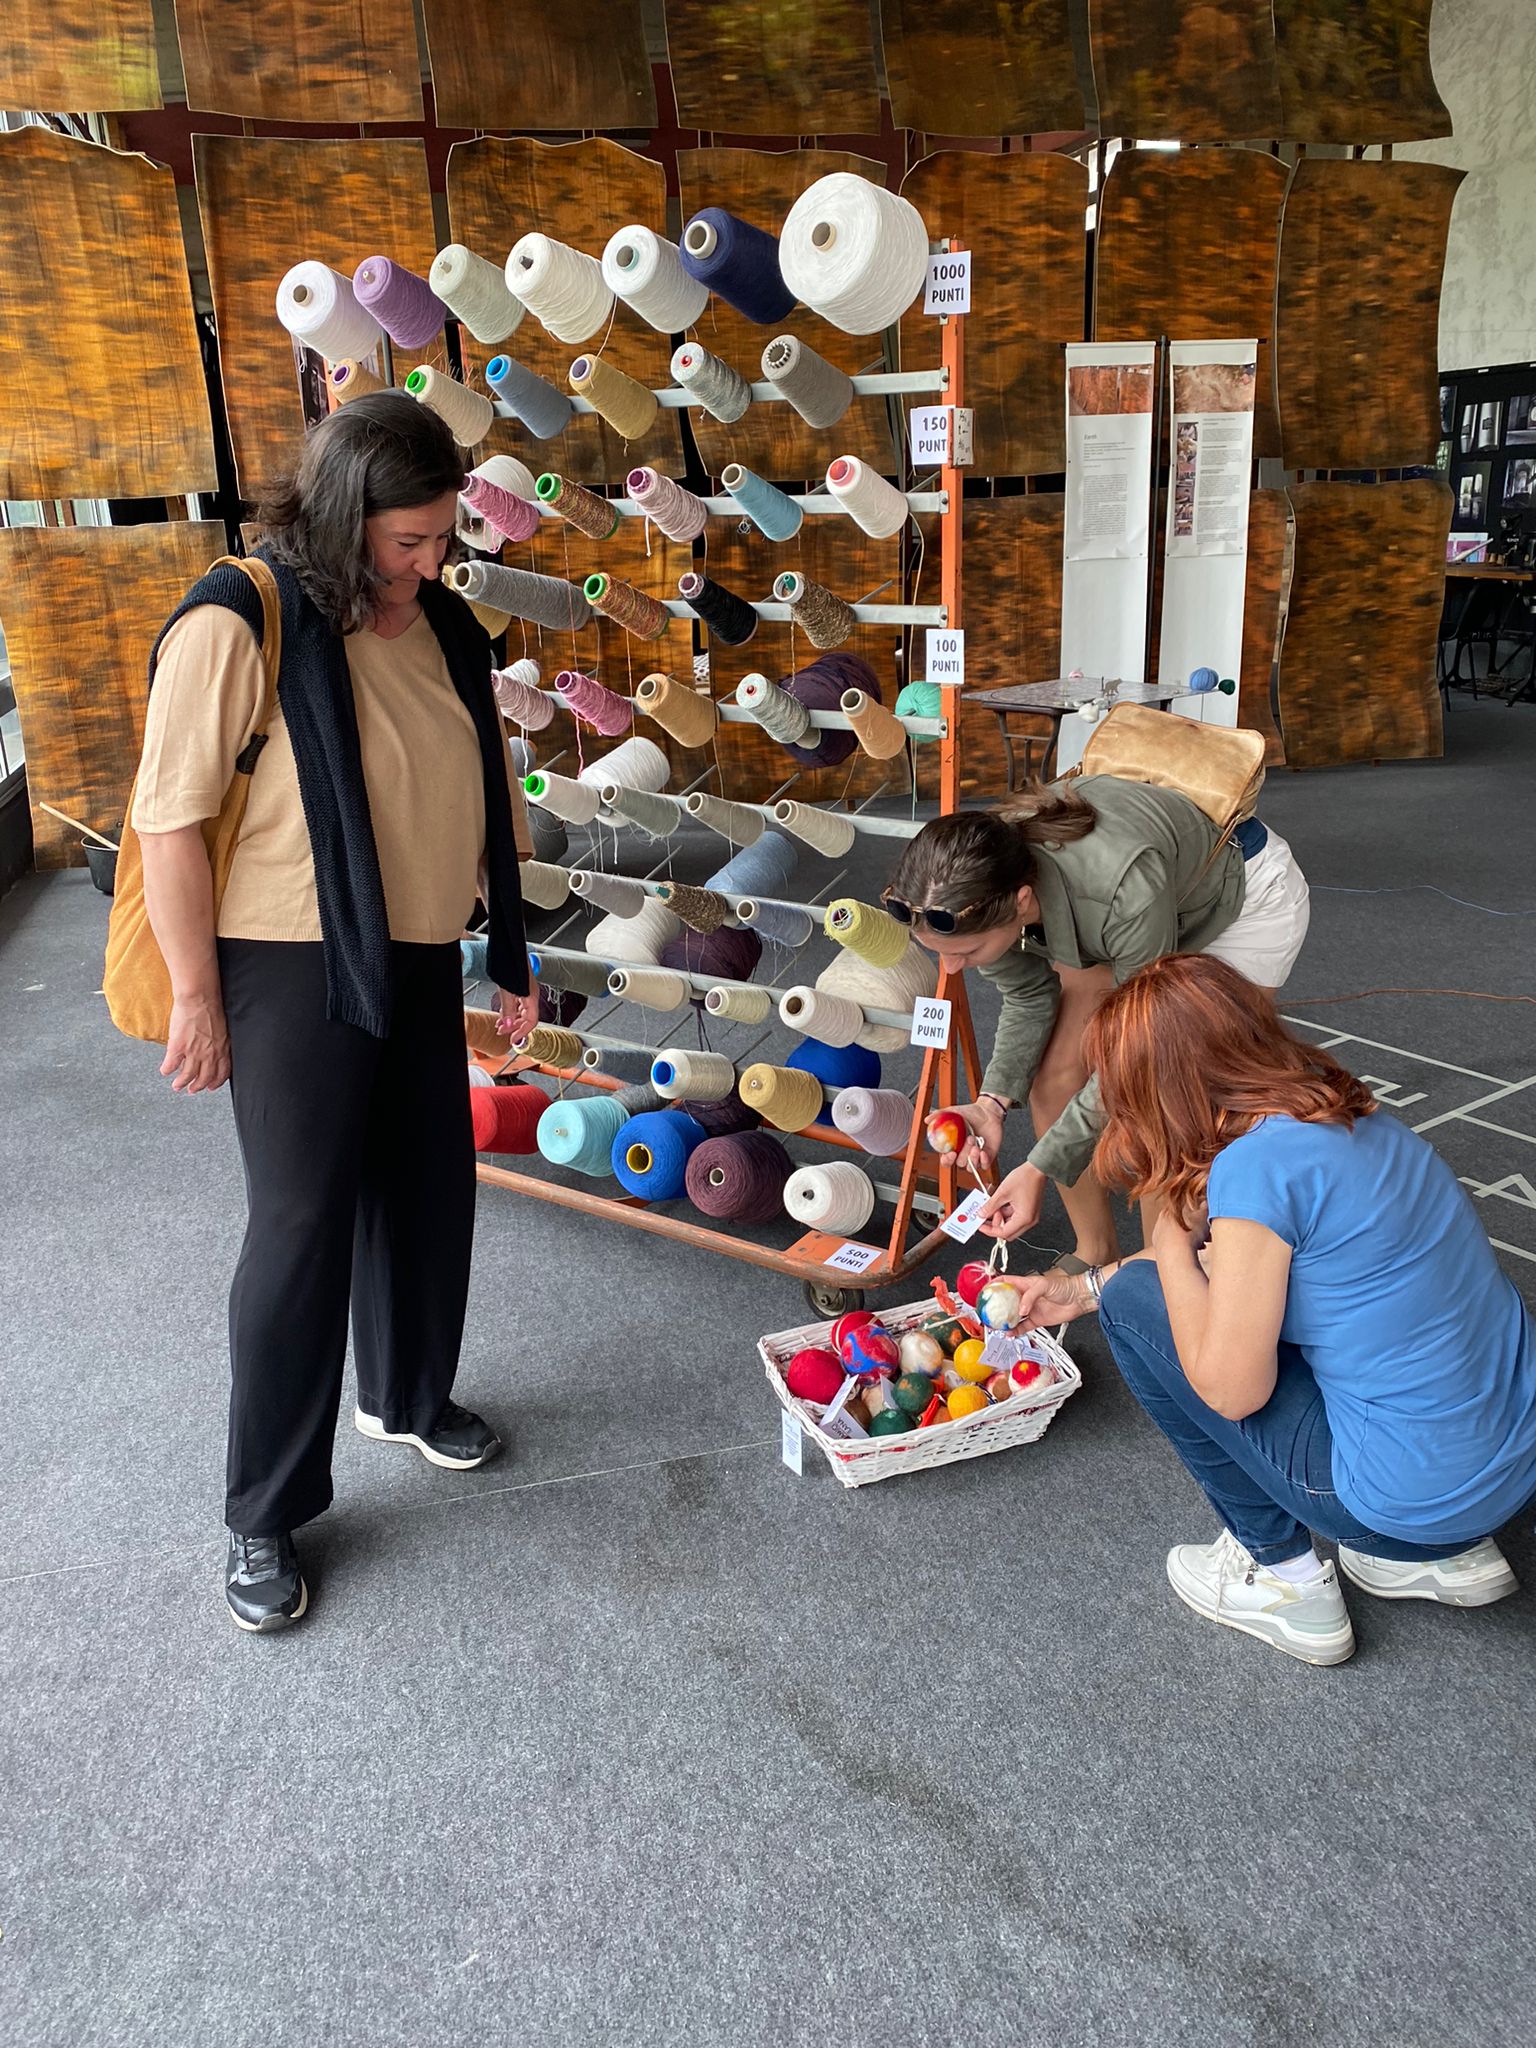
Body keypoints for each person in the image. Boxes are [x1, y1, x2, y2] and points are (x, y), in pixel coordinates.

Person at [132, 393, 537, 1633]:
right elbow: (167, 822)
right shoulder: (239, 617)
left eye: (444, 536)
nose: (432, 561)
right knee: (302, 1223)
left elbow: (482, 780)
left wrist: (512, 945)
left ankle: (407, 1395)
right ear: (344, 516)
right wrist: (196, 996)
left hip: (415, 950)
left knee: (427, 1186)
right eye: (409, 540)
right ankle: (263, 1508)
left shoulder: (446, 621)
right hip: (287, 958)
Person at [1003, 954, 1536, 1667]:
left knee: (1134, 1306)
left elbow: (1231, 1390)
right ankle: (1445, 1558)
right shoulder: (1342, 1111)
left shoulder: (1254, 1170)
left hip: (1408, 1507)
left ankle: (1283, 1577)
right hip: (1508, 1470)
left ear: (1159, 1092)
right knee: (1145, 1292)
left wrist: (1166, 1238)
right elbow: (1240, 1269)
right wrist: (1079, 1289)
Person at [881, 775, 1309, 1267]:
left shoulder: (1119, 892)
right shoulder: (973, 888)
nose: (952, 968)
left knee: (1165, 1096)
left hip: (1243, 896)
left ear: (1021, 902)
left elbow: (1139, 1054)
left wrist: (1038, 1167)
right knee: (1055, 1074)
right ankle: (1096, 1251)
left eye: (968, 952)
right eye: (941, 953)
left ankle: (1157, 1268)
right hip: (1133, 911)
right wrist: (991, 1104)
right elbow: (1028, 996)